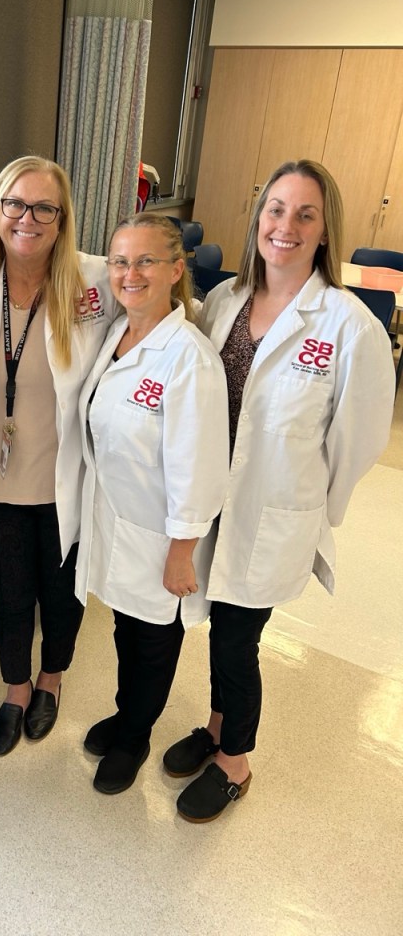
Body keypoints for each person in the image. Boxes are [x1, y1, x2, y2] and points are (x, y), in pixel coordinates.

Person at [164, 159, 396, 823]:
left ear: (324, 230)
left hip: (274, 514)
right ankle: (216, 728)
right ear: (258, 217)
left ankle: (235, 763)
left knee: (238, 642)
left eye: (304, 214)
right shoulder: (225, 302)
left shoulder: (349, 325)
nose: (285, 225)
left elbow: (358, 440)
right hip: (216, 503)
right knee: (220, 626)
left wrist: (312, 505)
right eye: (275, 209)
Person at [0, 155, 119, 755]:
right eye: (15, 204)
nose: (28, 218)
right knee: (10, 590)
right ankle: (16, 687)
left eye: (45, 208)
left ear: (63, 218)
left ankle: (52, 678)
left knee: (63, 591)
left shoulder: (96, 281)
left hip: (65, 473)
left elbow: (156, 311)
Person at [76, 214, 228, 796]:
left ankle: (135, 736)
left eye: (145, 261)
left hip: (163, 535)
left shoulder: (189, 358)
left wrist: (182, 551)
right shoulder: (116, 333)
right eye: (120, 261)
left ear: (175, 270)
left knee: (156, 640)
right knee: (124, 628)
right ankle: (125, 713)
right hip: (118, 523)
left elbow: (200, 465)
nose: (129, 273)